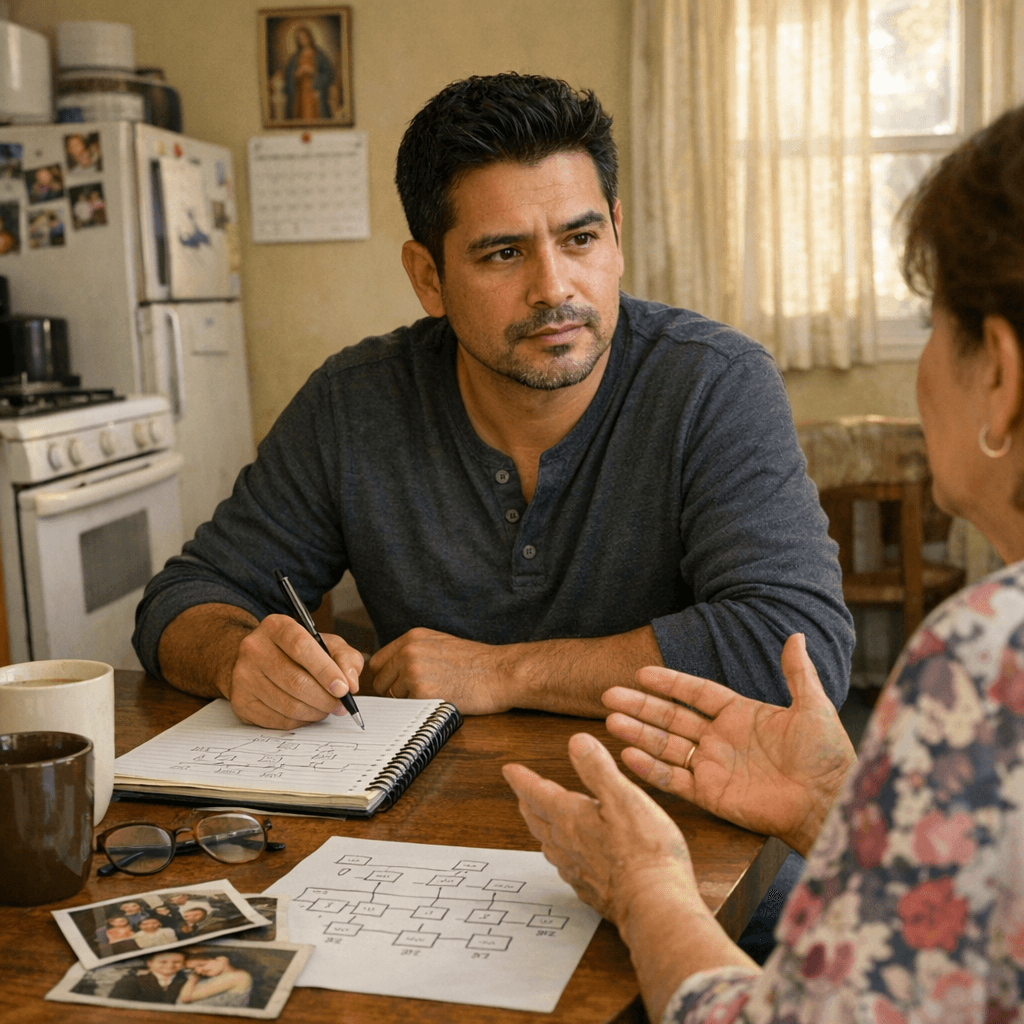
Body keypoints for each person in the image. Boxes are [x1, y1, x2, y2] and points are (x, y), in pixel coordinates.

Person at [504, 102, 1024, 1024]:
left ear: (1002, 374)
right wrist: (838, 804)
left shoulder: (991, 659)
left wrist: (644, 887)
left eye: (935, 321)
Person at [133, 72, 852, 735]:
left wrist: (505, 671)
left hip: (680, 816)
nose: (555, 288)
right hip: (423, 823)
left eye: (580, 238)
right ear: (428, 277)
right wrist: (237, 659)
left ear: (617, 237)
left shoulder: (714, 382)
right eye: (503, 254)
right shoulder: (354, 403)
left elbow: (799, 648)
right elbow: (186, 597)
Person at [283, 25, 334, 120]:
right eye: (299, 38)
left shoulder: (319, 55)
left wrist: (313, 72)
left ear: (309, 37)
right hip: (300, 93)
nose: (302, 40)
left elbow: (329, 74)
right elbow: (288, 77)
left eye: (304, 37)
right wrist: (297, 74)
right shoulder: (294, 58)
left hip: (315, 92)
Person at [177, 951, 253, 1007]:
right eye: (193, 969)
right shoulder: (211, 979)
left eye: (201, 965)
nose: (198, 971)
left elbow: (186, 998)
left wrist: (192, 979)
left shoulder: (238, 976)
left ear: (222, 960)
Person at [108, 951, 188, 1004]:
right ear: (150, 963)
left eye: (177, 962)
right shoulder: (131, 981)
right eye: (163, 962)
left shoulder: (186, 981)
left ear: (184, 964)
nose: (170, 965)